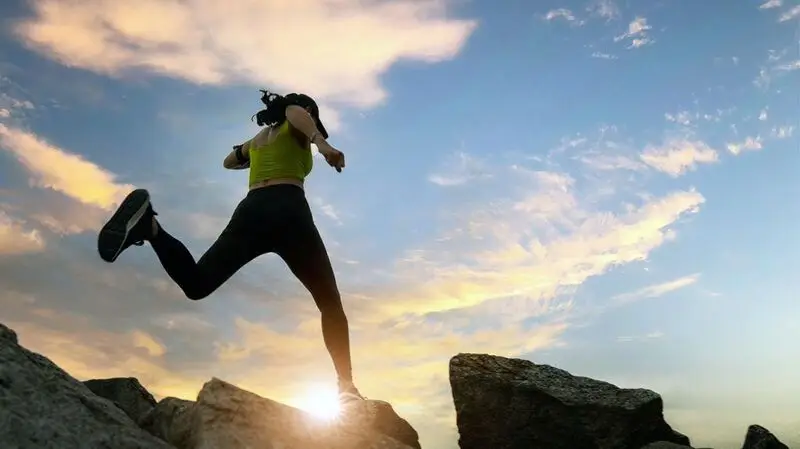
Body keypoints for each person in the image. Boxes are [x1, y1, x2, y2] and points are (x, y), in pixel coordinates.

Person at [96, 90, 364, 405]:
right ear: (306, 111)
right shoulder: (298, 122)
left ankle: (150, 229)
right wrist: (322, 143)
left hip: (251, 210)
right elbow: (295, 110)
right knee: (330, 303)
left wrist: (248, 151)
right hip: (288, 210)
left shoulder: (260, 138)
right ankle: (346, 387)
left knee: (197, 283)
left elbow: (228, 162)